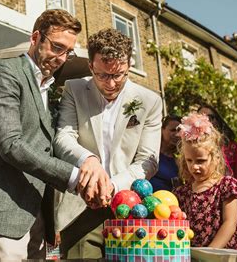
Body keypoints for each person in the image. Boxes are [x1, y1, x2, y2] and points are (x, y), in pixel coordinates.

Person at [0, 9, 110, 261]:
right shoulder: (2, 72)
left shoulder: (48, 87)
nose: (62, 58)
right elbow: (11, 145)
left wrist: (89, 162)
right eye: (57, 47)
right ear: (36, 37)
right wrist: (75, 178)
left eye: (68, 52)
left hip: (36, 217)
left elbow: (51, 144)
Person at [53, 28, 163, 259]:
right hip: (81, 206)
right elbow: (63, 137)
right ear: (91, 66)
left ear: (128, 66)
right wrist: (89, 161)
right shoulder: (74, 89)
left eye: (119, 75)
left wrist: (112, 186)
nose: (111, 83)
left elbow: (148, 161)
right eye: (102, 75)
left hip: (129, 207)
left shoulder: (150, 101)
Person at [174, 112, 237, 249]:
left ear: (216, 157)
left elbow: (229, 223)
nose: (194, 166)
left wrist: (209, 253)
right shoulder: (182, 192)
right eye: (189, 160)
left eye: (201, 161)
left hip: (224, 255)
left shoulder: (226, 186)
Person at [198, 104, 237, 181]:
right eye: (201, 118)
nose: (206, 121)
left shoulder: (231, 146)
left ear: (217, 121)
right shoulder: (192, 145)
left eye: (210, 117)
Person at [150, 115, 181, 191]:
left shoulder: (180, 160)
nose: (176, 134)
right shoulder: (150, 152)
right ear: (162, 130)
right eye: (173, 130)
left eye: (179, 131)